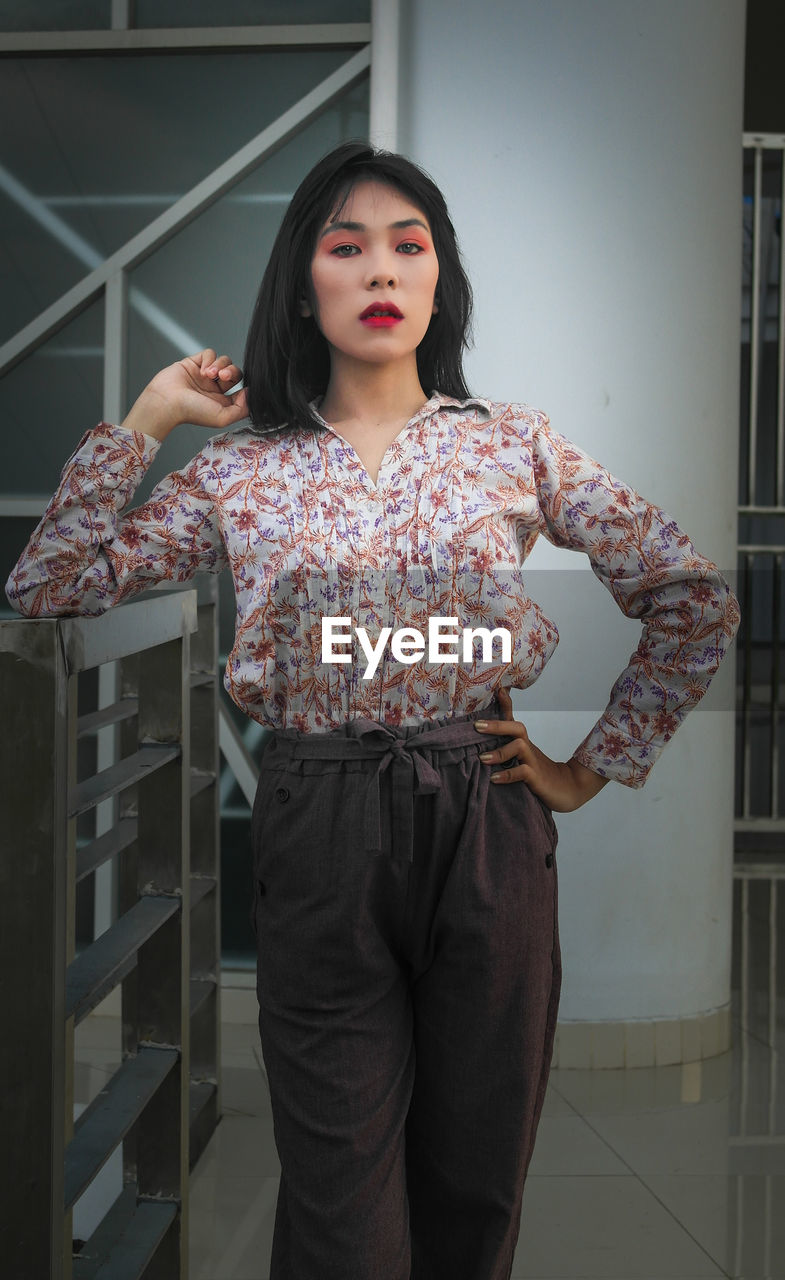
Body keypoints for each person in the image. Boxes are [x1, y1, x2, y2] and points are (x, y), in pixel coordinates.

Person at [6, 141, 739, 1280]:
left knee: (472, 1184)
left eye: (409, 246)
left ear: (439, 279)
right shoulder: (241, 470)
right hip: (319, 817)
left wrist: (589, 764)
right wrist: (150, 415)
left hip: (485, 816)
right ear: (304, 284)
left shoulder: (512, 442)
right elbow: (48, 585)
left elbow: (690, 597)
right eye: (344, 249)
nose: (380, 270)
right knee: (342, 1207)